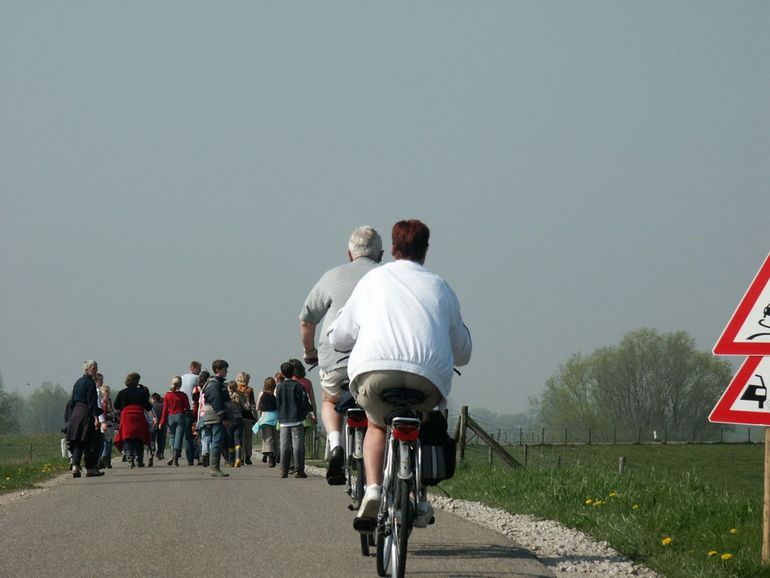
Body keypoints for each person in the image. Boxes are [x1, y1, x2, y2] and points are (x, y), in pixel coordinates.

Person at [328, 219, 472, 527]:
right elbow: (463, 351)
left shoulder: (373, 281)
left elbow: (339, 337)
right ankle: (418, 497)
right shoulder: (441, 287)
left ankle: (373, 489)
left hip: (375, 373)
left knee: (377, 425)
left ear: (392, 249)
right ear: (426, 250)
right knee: (420, 421)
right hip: (428, 378)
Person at [299, 225, 383, 485]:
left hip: (335, 357)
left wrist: (309, 351)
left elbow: (307, 321)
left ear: (349, 254)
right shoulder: (386, 276)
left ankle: (336, 443)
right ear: (380, 254)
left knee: (329, 398)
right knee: (377, 410)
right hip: (374, 358)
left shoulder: (332, 276)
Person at [64, 360, 104, 478]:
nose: (95, 369)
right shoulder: (90, 383)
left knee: (78, 441)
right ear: (86, 369)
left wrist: (70, 417)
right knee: (90, 442)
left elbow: (72, 401)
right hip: (86, 414)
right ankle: (90, 468)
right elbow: (91, 403)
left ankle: (76, 466)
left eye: (96, 367)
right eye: (93, 368)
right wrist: (96, 418)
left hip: (76, 413)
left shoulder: (78, 382)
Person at [276, 361, 311, 479]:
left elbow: (278, 403)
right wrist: (308, 410)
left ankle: (283, 470)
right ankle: (299, 470)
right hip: (297, 419)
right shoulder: (298, 386)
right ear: (293, 372)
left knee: (284, 446)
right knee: (298, 446)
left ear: (282, 373)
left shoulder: (279, 387)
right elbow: (304, 401)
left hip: (283, 420)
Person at [114, 372, 153, 468]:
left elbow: (116, 406)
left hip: (126, 416)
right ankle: (139, 459)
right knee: (139, 438)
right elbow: (148, 407)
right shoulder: (142, 392)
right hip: (138, 415)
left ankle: (130, 459)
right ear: (137, 381)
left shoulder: (122, 393)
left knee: (128, 438)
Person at [202, 360, 230, 477]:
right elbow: (216, 400)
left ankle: (215, 467)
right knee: (217, 441)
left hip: (214, 415)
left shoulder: (217, 383)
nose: (226, 371)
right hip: (215, 416)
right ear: (218, 370)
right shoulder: (214, 384)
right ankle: (214, 468)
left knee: (217, 440)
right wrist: (223, 416)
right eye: (224, 369)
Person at [160, 376, 191, 466]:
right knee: (179, 437)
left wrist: (162, 422)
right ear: (180, 384)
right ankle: (176, 458)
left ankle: (172, 456)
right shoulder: (183, 395)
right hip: (180, 416)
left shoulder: (167, 395)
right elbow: (188, 408)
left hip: (170, 417)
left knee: (173, 437)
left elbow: (165, 410)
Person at [179, 361, 201, 465]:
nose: (200, 371)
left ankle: (189, 459)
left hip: (184, 410)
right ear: (194, 368)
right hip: (195, 408)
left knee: (187, 435)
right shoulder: (196, 378)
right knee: (199, 433)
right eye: (199, 369)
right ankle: (198, 454)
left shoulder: (182, 378)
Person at [256, 376, 278, 467]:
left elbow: (257, 407)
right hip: (275, 417)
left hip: (265, 417)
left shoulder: (261, 393)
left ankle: (269, 456)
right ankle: (275, 454)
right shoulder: (276, 393)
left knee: (267, 437)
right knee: (276, 437)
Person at [236, 372, 256, 465]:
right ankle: (248, 456)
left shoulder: (235, 389)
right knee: (248, 437)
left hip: (237, 416)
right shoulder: (249, 390)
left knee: (241, 438)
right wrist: (256, 417)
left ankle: (241, 457)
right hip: (248, 416)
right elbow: (252, 405)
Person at [97, 378, 116, 470]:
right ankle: (103, 458)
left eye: (108, 391)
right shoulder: (101, 402)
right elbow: (102, 413)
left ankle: (107, 461)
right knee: (106, 443)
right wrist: (110, 415)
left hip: (110, 423)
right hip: (105, 423)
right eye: (105, 392)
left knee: (108, 442)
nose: (107, 393)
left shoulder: (109, 401)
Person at [225, 381, 245, 467]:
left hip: (229, 421)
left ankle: (231, 461)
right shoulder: (240, 396)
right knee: (237, 439)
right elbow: (246, 407)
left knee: (230, 440)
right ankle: (238, 458)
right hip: (239, 420)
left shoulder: (227, 398)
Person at [149, 393, 165, 460]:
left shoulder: (150, 406)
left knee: (152, 439)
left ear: (154, 399)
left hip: (153, 425)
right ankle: (159, 453)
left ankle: (152, 449)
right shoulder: (163, 405)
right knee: (160, 440)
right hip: (161, 425)